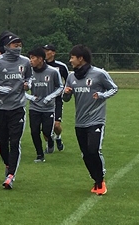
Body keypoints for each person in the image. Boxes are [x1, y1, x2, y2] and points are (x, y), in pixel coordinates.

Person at [62, 45, 118, 195]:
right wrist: (66, 93)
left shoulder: (99, 74)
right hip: (79, 121)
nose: (70, 60)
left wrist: (101, 95)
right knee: (85, 154)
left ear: (81, 58)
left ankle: (100, 181)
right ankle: (96, 179)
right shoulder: (71, 77)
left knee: (94, 150)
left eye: (72, 57)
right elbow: (66, 98)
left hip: (96, 120)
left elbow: (114, 88)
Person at [0, 31, 32, 189]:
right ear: (6, 46)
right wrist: (1, 89)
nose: (18, 47)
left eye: (19, 44)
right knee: (3, 142)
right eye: (14, 44)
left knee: (15, 141)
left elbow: (29, 78)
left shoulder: (25, 62)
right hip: (0, 108)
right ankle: (8, 165)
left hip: (18, 107)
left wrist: (28, 85)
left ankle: (11, 175)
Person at [26, 47, 63, 163]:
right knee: (34, 131)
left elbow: (60, 87)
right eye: (29, 58)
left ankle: (51, 141)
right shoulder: (29, 72)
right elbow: (21, 89)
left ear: (40, 59)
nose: (30, 60)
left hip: (48, 108)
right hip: (34, 107)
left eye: (33, 58)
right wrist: (30, 96)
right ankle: (40, 155)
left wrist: (49, 97)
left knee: (47, 131)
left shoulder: (53, 71)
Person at [43, 44, 70, 151]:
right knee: (45, 128)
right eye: (44, 50)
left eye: (47, 51)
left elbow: (68, 81)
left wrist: (67, 91)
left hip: (57, 100)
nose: (45, 53)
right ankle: (49, 144)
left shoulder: (61, 66)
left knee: (56, 125)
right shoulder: (40, 66)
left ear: (53, 53)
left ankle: (58, 137)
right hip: (43, 100)